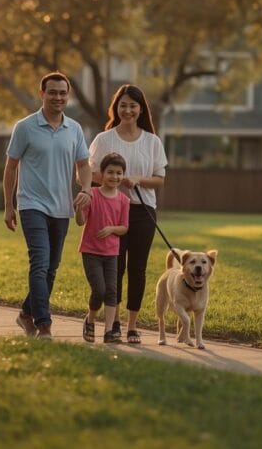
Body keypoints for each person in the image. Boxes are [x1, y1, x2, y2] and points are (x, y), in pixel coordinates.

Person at [3, 72, 93, 340]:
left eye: (63, 93)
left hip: (61, 208)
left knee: (51, 268)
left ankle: (25, 314)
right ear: (42, 94)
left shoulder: (74, 129)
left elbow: (84, 166)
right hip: (31, 205)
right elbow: (11, 167)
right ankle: (44, 324)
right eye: (52, 92)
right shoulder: (25, 127)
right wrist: (9, 205)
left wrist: (86, 190)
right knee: (40, 263)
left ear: (69, 95)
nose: (58, 97)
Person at [88, 84, 168, 344]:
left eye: (133, 105)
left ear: (140, 109)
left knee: (138, 268)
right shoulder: (104, 139)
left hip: (143, 211)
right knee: (115, 269)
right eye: (123, 105)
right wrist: (115, 180)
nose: (128, 110)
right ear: (116, 108)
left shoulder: (152, 141)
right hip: (111, 211)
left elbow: (159, 179)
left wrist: (136, 180)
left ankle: (133, 324)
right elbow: (91, 174)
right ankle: (114, 324)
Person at [75, 152, 130, 344]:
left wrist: (111, 229)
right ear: (101, 173)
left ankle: (108, 331)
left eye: (119, 173)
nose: (114, 177)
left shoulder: (124, 200)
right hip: (91, 251)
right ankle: (90, 320)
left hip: (111, 253)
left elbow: (124, 228)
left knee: (112, 291)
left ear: (123, 175)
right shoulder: (93, 195)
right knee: (99, 289)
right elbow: (80, 222)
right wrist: (77, 208)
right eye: (110, 172)